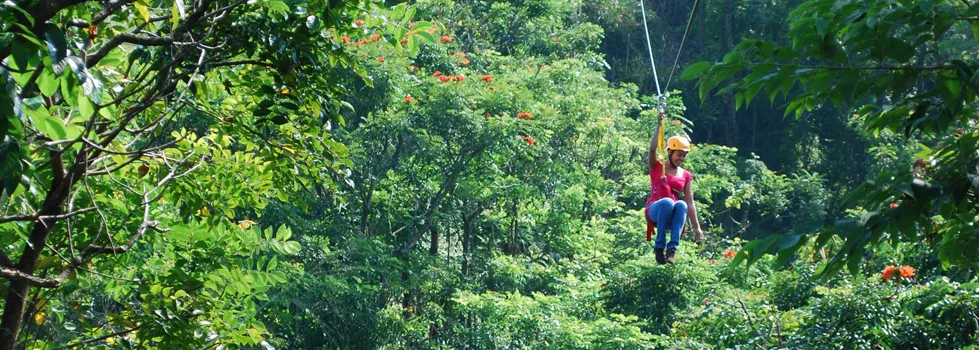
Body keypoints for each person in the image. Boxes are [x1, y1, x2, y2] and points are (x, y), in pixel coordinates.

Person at [646, 112, 703, 264]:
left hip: (671, 214)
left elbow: (690, 203)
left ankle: (672, 249)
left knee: (681, 203)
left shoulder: (686, 175)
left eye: (684, 156)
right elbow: (652, 150)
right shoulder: (657, 166)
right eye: (679, 155)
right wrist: (659, 125)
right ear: (670, 152)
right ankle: (659, 247)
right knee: (668, 202)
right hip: (655, 209)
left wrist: (697, 228)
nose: (681, 159)